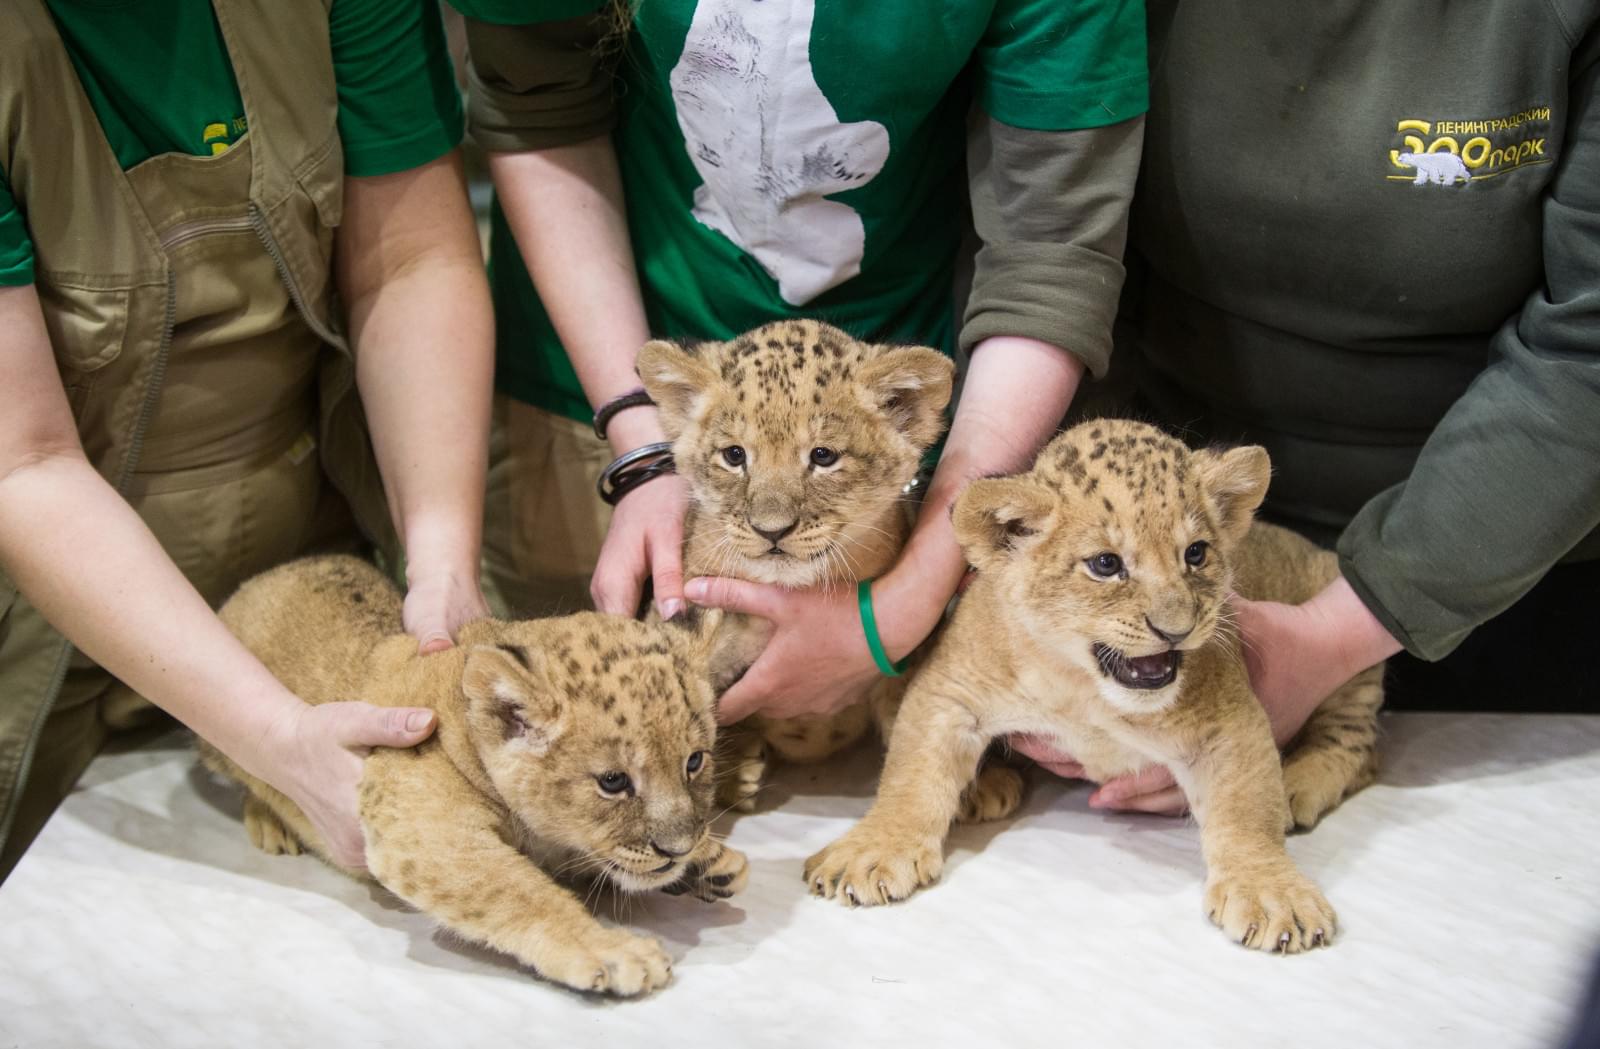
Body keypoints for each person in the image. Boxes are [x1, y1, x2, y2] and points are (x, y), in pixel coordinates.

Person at [453, 0, 1148, 725]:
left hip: (915, 422)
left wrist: (910, 593)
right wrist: (643, 445)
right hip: (612, 370)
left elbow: (1052, 249)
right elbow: (535, 106)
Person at [1019, 0, 1600, 814]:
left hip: (1517, 574)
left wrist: (1331, 639)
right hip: (1169, 559)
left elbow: (1590, 348)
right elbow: (1038, 251)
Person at [0, 0, 494, 879]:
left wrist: (442, 559)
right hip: (43, 635)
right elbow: (25, 462)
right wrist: (274, 738)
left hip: (306, 580)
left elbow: (413, 261)